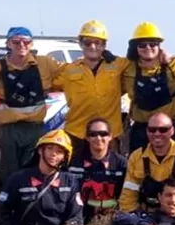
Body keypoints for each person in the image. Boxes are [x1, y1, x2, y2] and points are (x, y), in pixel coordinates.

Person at [0, 26, 62, 183]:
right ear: (9, 44)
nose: (22, 45)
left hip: (35, 127)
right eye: (16, 41)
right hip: (9, 129)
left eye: (26, 42)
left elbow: (69, 72)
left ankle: (30, 204)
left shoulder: (45, 63)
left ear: (31, 44)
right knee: (9, 171)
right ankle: (6, 202)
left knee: (32, 169)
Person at [0, 130, 83, 225]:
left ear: (65, 157)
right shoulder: (18, 178)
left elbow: (76, 218)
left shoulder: (71, 182)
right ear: (40, 150)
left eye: (59, 151)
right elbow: (2, 211)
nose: (53, 154)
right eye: (49, 148)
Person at [54, 20, 129, 154]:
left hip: (109, 134)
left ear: (104, 45)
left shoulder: (119, 65)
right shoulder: (68, 70)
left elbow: (141, 61)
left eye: (98, 42)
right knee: (75, 173)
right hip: (77, 133)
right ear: (80, 44)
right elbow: (46, 83)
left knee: (110, 173)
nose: (92, 47)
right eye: (88, 42)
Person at [122, 22, 175, 152]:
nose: (148, 48)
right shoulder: (126, 68)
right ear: (135, 47)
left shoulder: (174, 64)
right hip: (141, 130)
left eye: (153, 44)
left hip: (169, 129)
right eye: (142, 45)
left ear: (159, 46)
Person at [119, 112, 175, 219]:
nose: (157, 134)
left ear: (172, 131)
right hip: (143, 217)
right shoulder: (136, 156)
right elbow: (128, 196)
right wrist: (136, 221)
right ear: (147, 132)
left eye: (163, 130)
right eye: (152, 129)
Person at [68, 118, 128, 225]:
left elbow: (126, 197)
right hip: (79, 219)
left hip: (112, 219)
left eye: (103, 134)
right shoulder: (73, 162)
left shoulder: (121, 164)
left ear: (110, 136)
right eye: (93, 134)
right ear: (87, 137)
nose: (98, 138)